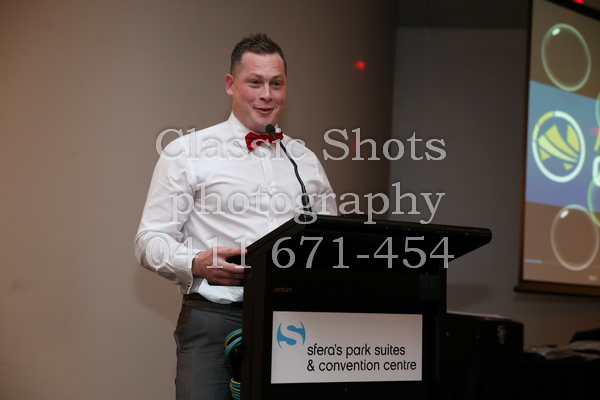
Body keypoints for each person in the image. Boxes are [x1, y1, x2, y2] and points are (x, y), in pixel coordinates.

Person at [134, 33, 337, 400]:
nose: (267, 95)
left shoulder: (305, 161)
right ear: (230, 84)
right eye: (254, 82)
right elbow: (149, 241)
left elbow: (332, 241)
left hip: (293, 322)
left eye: (276, 84)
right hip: (215, 318)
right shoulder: (187, 152)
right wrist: (194, 263)